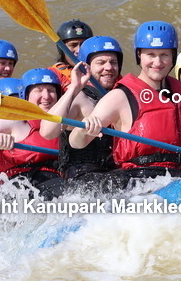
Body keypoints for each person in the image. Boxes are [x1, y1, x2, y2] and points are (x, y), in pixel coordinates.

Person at [70, 21, 181, 183]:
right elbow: (76, 142)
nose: (157, 63)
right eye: (150, 55)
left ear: (173, 58)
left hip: (180, 174)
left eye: (164, 55)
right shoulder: (119, 97)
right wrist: (83, 129)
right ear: (139, 56)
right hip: (138, 180)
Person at [39, 36, 124, 195]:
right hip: (82, 178)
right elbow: (47, 132)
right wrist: (73, 88)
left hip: (115, 173)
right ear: (87, 68)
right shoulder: (80, 98)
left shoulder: (121, 96)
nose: (108, 67)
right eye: (101, 63)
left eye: (113, 62)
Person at [0, 68, 64, 197]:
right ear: (25, 95)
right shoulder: (12, 119)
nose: (46, 96)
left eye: (51, 90)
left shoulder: (64, 123)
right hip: (16, 184)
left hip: (54, 181)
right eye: (39, 90)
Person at [50, 19, 93, 87]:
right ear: (61, 49)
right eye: (73, 45)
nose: (78, 50)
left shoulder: (103, 70)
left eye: (83, 44)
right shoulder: (53, 76)